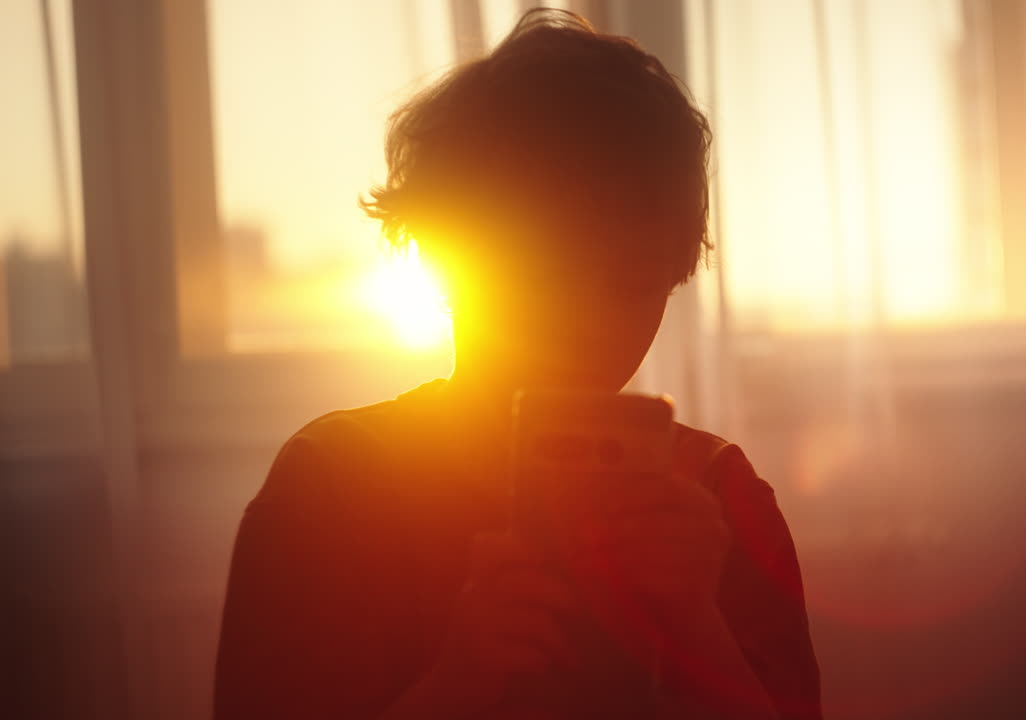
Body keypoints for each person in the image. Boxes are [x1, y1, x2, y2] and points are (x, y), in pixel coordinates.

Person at [214, 9, 821, 719]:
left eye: (632, 283)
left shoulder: (721, 502)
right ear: (449, 257)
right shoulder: (330, 488)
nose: (587, 322)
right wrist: (458, 682)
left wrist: (698, 629)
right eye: (544, 272)